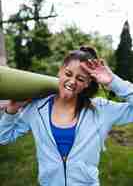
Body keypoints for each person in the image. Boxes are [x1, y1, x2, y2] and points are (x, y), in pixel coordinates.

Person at [0, 46, 133, 186]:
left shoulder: (101, 110)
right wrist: (11, 111)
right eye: (68, 74)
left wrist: (113, 81)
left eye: (80, 79)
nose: (72, 82)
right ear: (60, 70)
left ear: (87, 84)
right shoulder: (37, 108)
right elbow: (3, 137)